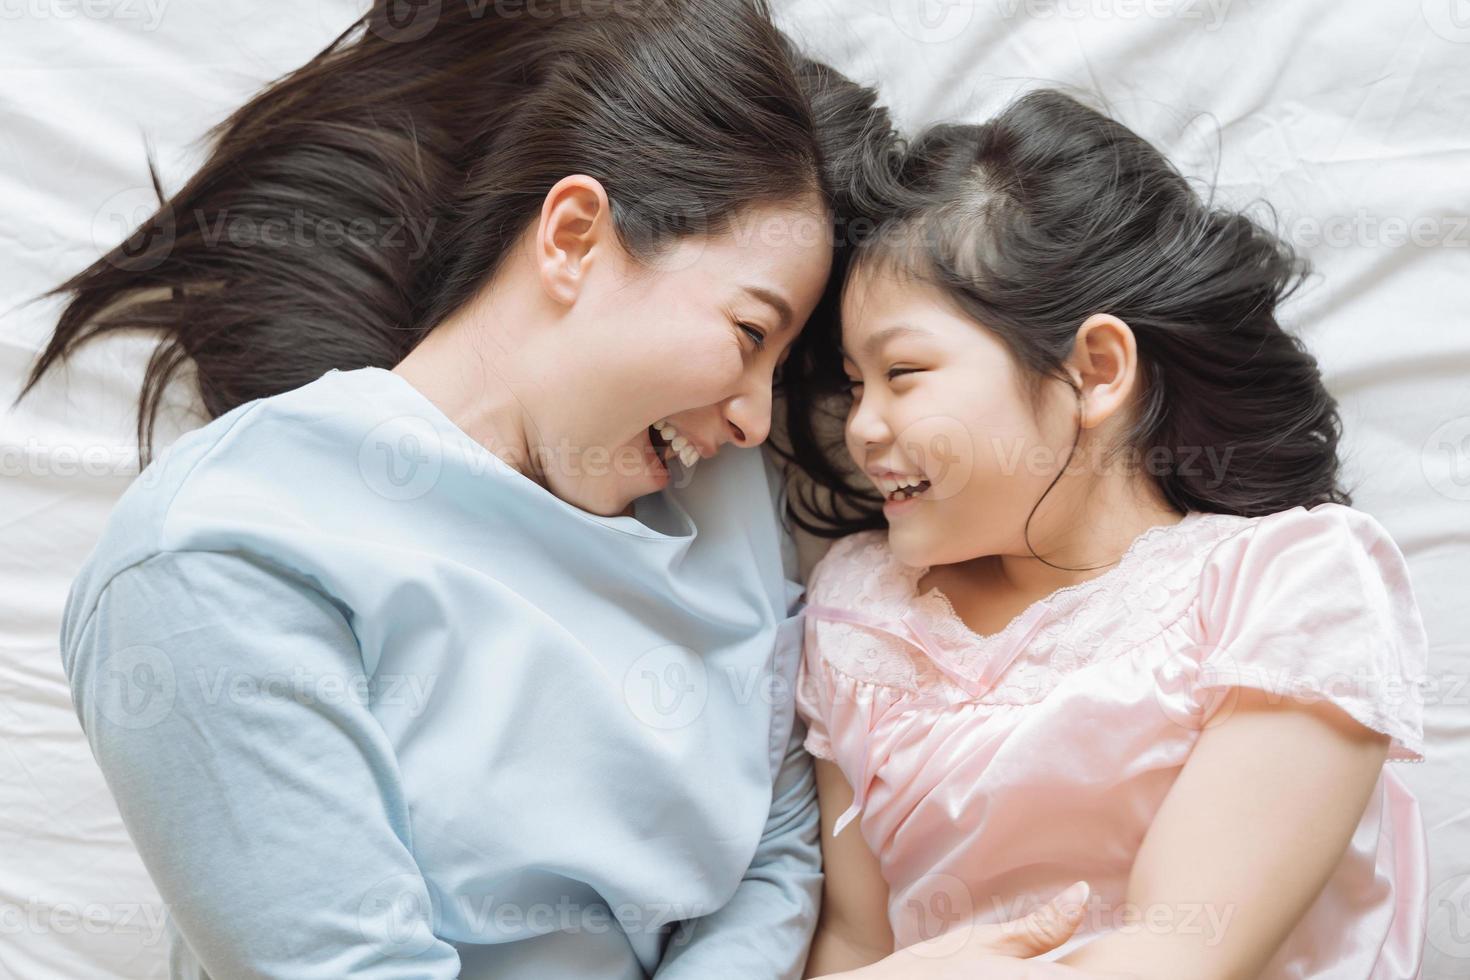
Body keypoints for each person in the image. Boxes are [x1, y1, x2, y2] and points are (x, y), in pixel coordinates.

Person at [782, 89, 1429, 979]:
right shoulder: (860, 612)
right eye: (854, 384)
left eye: (903, 372)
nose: (861, 428)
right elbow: (854, 941)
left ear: (1095, 371)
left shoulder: (1287, 589)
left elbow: (1178, 953)